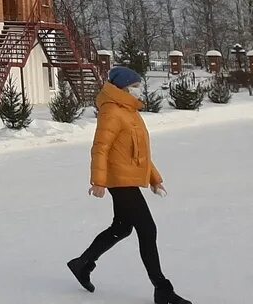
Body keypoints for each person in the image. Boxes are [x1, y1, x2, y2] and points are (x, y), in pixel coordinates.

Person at [67, 67, 191, 304]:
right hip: (119, 180)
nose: (138, 89)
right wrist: (99, 181)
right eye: (135, 85)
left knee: (122, 227)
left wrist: (155, 178)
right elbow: (100, 147)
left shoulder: (130, 111)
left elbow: (139, 151)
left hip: (128, 177)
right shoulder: (112, 111)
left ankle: (82, 263)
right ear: (123, 87)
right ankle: (162, 289)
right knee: (147, 229)